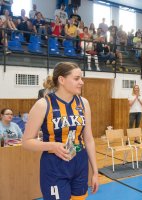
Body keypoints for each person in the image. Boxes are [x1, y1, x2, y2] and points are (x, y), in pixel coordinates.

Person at [22, 62, 99, 200]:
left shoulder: (83, 103)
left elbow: (89, 139)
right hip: (54, 164)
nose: (81, 82)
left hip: (80, 162)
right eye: (76, 79)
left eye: (81, 78)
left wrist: (95, 172)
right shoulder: (43, 104)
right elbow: (26, 142)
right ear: (62, 80)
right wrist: (52, 146)